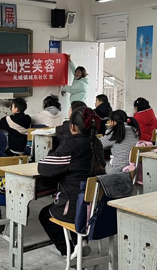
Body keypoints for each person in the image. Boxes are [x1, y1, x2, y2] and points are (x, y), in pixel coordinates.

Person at [38, 108, 106, 256]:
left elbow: (43, 168)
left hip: (74, 206)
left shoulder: (70, 146)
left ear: (73, 127)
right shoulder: (97, 143)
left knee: (45, 215)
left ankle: (68, 252)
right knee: (75, 205)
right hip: (94, 205)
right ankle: (80, 242)